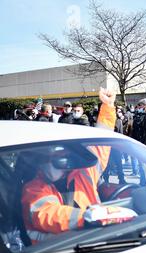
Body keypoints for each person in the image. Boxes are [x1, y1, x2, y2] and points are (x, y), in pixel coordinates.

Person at [21, 88, 119, 242]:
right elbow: (48, 214)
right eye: (52, 156)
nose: (60, 160)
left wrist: (108, 106)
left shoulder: (85, 171)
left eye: (63, 154)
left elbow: (102, 143)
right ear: (40, 161)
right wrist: (90, 217)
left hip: (100, 239)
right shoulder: (34, 188)